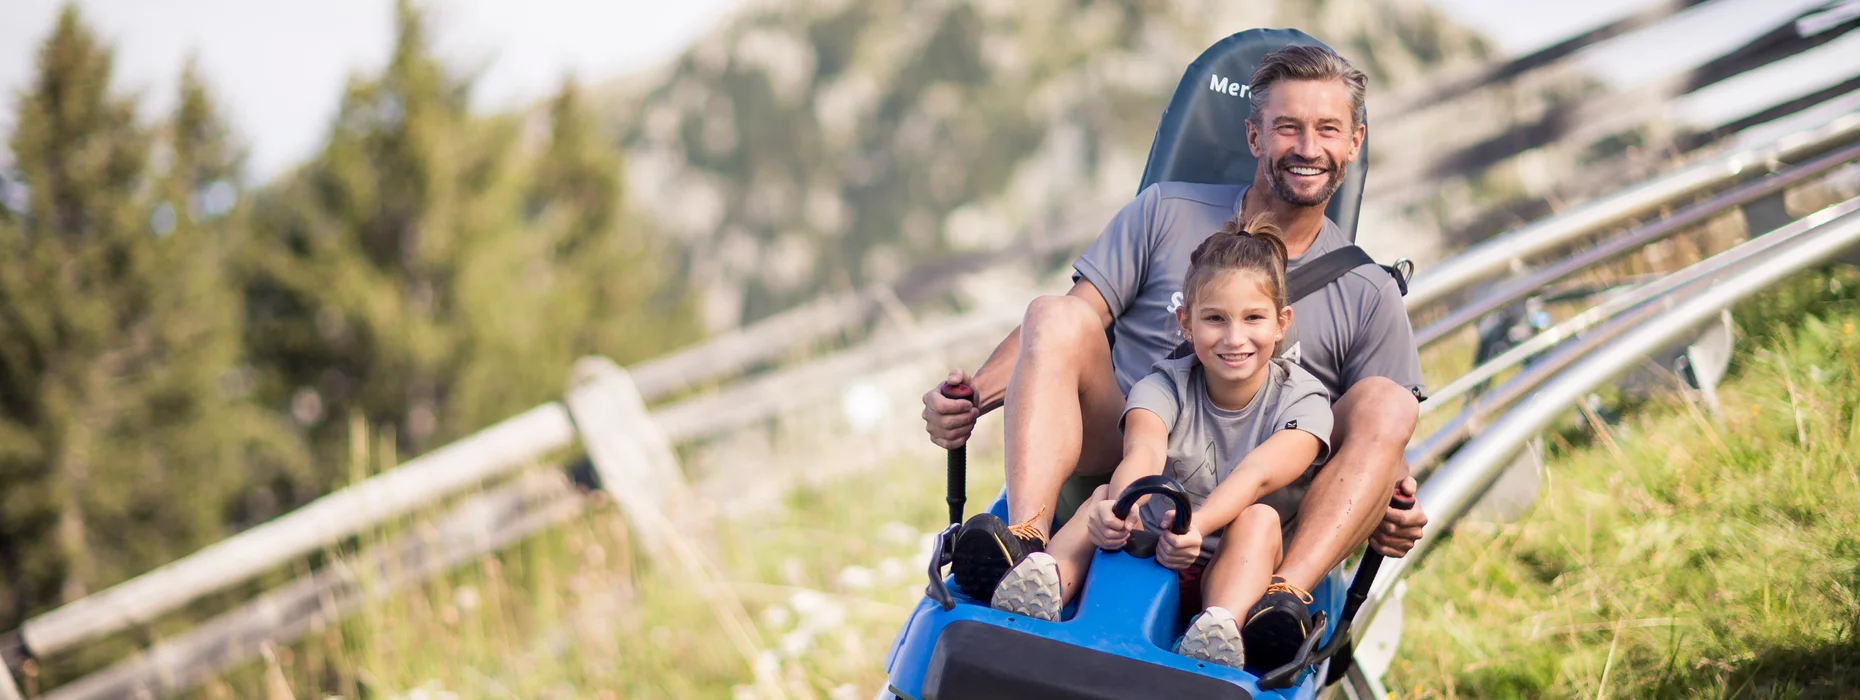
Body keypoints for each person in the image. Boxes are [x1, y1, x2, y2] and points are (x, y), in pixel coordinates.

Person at [922, 44, 1430, 665]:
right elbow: (1065, 324)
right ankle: (1027, 541)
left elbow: (1384, 440)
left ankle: (1281, 602)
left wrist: (1393, 504)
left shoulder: (1369, 292)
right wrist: (972, 398)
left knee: (1389, 400)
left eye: (1327, 129)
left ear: (1353, 143)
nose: (1307, 147)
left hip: (1259, 509)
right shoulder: (1165, 211)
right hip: (1125, 455)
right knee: (1052, 313)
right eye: (1288, 127)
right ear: (1254, 136)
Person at [989, 214, 1334, 671]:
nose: (1234, 338)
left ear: (1280, 323)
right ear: (1186, 324)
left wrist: (1197, 526)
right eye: (1215, 319)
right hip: (1145, 551)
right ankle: (1043, 582)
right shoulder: (1164, 384)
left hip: (1228, 564)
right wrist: (1123, 507)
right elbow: (1144, 450)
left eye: (1253, 318)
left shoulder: (1304, 401)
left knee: (1260, 519)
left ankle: (1219, 628)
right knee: (1104, 496)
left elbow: (1256, 475)